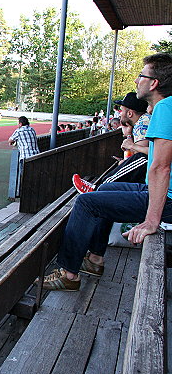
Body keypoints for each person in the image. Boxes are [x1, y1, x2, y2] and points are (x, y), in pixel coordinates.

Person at [39, 52, 172, 291]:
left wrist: (151, 220)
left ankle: (69, 274)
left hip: (168, 200)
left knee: (86, 203)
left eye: (141, 76)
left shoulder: (165, 107)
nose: (136, 81)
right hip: (162, 193)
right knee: (106, 189)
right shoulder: (163, 108)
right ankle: (95, 259)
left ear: (154, 83)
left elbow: (160, 167)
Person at [73, 92, 150, 194]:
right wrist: (129, 135)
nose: (119, 113)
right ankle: (97, 188)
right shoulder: (140, 122)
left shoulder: (143, 122)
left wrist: (130, 145)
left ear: (130, 113)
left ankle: (95, 189)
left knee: (139, 159)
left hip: (152, 179)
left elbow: (141, 157)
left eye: (121, 110)